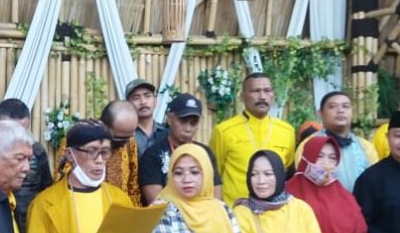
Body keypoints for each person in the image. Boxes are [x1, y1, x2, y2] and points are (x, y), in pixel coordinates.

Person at [210, 73, 295, 206]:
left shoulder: (287, 131)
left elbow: (287, 169)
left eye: (267, 91)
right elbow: (214, 175)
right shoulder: (224, 131)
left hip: (275, 210)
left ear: (273, 95)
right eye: (255, 91)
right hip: (236, 210)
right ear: (242, 96)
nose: (262, 96)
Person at [139, 93, 222, 205]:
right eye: (183, 121)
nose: (188, 128)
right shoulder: (152, 155)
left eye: (193, 122)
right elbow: (157, 203)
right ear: (169, 119)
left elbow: (216, 197)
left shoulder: (205, 153)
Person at [57, 101, 143, 206]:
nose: (124, 142)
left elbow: (133, 187)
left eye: (129, 137)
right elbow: (61, 181)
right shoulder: (77, 140)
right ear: (104, 126)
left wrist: (132, 212)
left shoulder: (130, 143)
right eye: (118, 138)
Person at [301, 91, 377, 192]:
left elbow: (376, 181)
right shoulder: (309, 145)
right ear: (320, 113)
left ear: (352, 112)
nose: (340, 110)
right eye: (332, 106)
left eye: (345, 106)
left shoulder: (365, 146)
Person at [126, 78, 168, 156]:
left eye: (147, 96)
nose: (143, 102)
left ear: (155, 101)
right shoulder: (124, 135)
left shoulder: (165, 133)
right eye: (136, 98)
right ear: (128, 104)